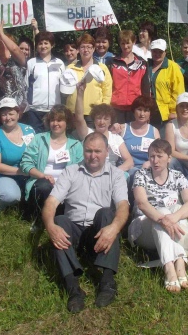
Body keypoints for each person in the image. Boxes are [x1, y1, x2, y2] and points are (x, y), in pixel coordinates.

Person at [42, 132, 129, 312]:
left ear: (107, 151)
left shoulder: (116, 175)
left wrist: (114, 228)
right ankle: (73, 289)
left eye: (98, 151)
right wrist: (50, 226)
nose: (93, 155)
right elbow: (51, 202)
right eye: (89, 151)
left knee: (107, 214)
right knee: (59, 220)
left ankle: (107, 282)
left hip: (97, 231)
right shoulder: (71, 171)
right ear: (83, 151)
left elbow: (123, 206)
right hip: (73, 231)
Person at [129, 139, 188, 293]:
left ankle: (179, 266)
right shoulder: (141, 175)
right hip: (143, 228)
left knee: (178, 208)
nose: (155, 160)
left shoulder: (178, 176)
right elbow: (142, 203)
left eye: (159, 156)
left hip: (171, 225)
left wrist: (173, 218)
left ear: (169, 158)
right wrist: (164, 219)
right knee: (162, 211)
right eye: (152, 156)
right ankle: (169, 268)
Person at [19, 105, 83, 220]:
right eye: (52, 120)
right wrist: (43, 176)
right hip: (42, 182)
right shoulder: (39, 139)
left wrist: (67, 183)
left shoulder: (76, 144)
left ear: (67, 123)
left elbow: (81, 169)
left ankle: (59, 218)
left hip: (66, 185)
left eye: (59, 120)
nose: (55, 123)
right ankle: (39, 219)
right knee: (44, 186)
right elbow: (26, 163)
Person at [0, 98, 35, 211]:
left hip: (28, 173)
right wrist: (22, 171)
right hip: (3, 175)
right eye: (4, 115)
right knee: (10, 196)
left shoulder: (29, 130)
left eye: (11, 114)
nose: (8, 118)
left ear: (18, 114)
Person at [74, 83, 134, 175]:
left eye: (106, 119)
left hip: (111, 174)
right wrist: (80, 93)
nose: (102, 122)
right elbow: (79, 118)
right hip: (90, 173)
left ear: (110, 122)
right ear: (94, 120)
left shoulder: (116, 138)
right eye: (99, 118)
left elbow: (129, 161)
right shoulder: (88, 133)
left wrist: (115, 172)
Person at [64, 33, 112, 128]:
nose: (86, 50)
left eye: (89, 47)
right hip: (73, 113)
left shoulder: (102, 68)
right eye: (82, 47)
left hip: (94, 114)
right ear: (78, 50)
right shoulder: (70, 68)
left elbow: (107, 92)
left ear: (93, 49)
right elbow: (64, 91)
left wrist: (103, 110)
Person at [23, 28, 66, 133]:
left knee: (53, 137)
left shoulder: (60, 63)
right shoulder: (31, 63)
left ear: (52, 45)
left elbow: (64, 86)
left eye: (46, 43)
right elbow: (25, 85)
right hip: (35, 110)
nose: (43, 46)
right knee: (35, 137)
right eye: (40, 43)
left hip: (54, 109)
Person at [106, 30, 148, 123]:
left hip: (135, 107)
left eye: (128, 43)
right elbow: (107, 85)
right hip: (115, 107)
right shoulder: (112, 62)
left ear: (134, 42)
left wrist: (146, 108)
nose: (125, 46)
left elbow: (145, 87)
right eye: (122, 43)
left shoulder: (142, 63)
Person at [143, 39, 185, 129]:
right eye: (154, 51)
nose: (157, 54)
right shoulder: (145, 65)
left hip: (164, 112)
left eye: (160, 52)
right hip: (146, 109)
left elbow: (178, 91)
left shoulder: (173, 67)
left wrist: (174, 111)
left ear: (165, 52)